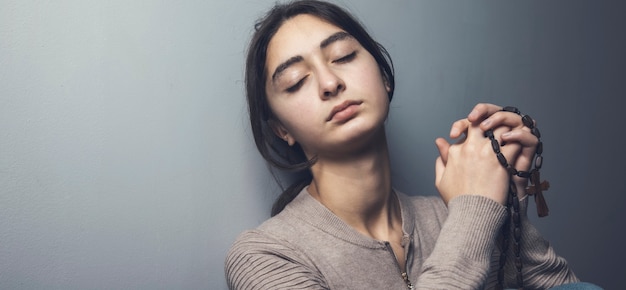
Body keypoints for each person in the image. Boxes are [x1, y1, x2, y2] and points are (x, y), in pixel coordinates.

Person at [225, 1, 601, 289]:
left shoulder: (453, 216)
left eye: (343, 56)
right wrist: (474, 208)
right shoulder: (266, 255)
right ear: (280, 130)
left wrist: (507, 203)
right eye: (295, 81)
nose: (329, 82)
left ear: (384, 77)